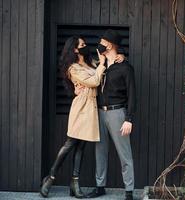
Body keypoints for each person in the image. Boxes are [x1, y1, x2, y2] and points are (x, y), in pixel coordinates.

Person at [40, 36, 124, 198]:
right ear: (75, 49)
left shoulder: (90, 61)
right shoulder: (73, 68)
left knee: (81, 146)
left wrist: (121, 57)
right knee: (70, 143)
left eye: (85, 43)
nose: (86, 46)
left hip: (92, 108)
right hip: (81, 108)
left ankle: (74, 182)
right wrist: (100, 65)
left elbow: (103, 72)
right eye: (82, 45)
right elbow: (93, 81)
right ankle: (50, 178)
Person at [86, 29, 136, 200]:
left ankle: (128, 190)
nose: (100, 43)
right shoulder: (98, 65)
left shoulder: (125, 67)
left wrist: (128, 119)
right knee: (99, 151)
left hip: (117, 113)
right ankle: (100, 186)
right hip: (99, 112)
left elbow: (132, 96)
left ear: (110, 44)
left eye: (103, 41)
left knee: (124, 153)